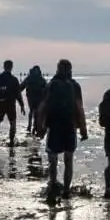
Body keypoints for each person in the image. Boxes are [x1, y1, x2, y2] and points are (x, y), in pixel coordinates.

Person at [40, 59, 87, 204]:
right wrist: (83, 130)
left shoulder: (51, 85)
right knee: (68, 160)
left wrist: (41, 127)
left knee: (53, 160)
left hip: (54, 127)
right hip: (69, 127)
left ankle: (53, 184)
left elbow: (43, 107)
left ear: (57, 69)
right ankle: (66, 191)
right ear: (70, 70)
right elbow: (79, 108)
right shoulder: (75, 86)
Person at [0, 60, 24, 149]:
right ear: (11, 67)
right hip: (10, 105)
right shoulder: (14, 79)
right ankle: (11, 142)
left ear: (3, 67)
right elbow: (18, 94)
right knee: (13, 124)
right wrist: (22, 105)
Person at [22, 65, 49, 136]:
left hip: (36, 98)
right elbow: (47, 89)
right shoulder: (39, 79)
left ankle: (33, 126)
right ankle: (31, 126)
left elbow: (21, 87)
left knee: (34, 112)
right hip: (33, 98)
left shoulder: (31, 78)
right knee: (34, 111)